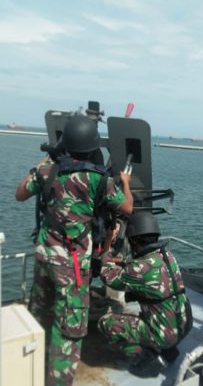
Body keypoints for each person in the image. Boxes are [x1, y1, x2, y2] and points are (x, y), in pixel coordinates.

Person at [15, 115, 133, 386]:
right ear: (92, 146)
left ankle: (31, 369)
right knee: (68, 330)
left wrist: (44, 163)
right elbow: (127, 208)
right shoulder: (98, 178)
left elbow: (20, 194)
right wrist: (125, 182)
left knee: (40, 315)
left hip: (44, 258)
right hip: (72, 266)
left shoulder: (48, 171)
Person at [98, 210, 193, 378]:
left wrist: (107, 246)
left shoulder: (139, 269)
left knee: (106, 323)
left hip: (165, 334)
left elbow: (108, 276)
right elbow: (142, 268)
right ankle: (166, 347)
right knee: (146, 313)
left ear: (134, 241)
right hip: (184, 325)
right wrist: (122, 262)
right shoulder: (168, 256)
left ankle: (146, 355)